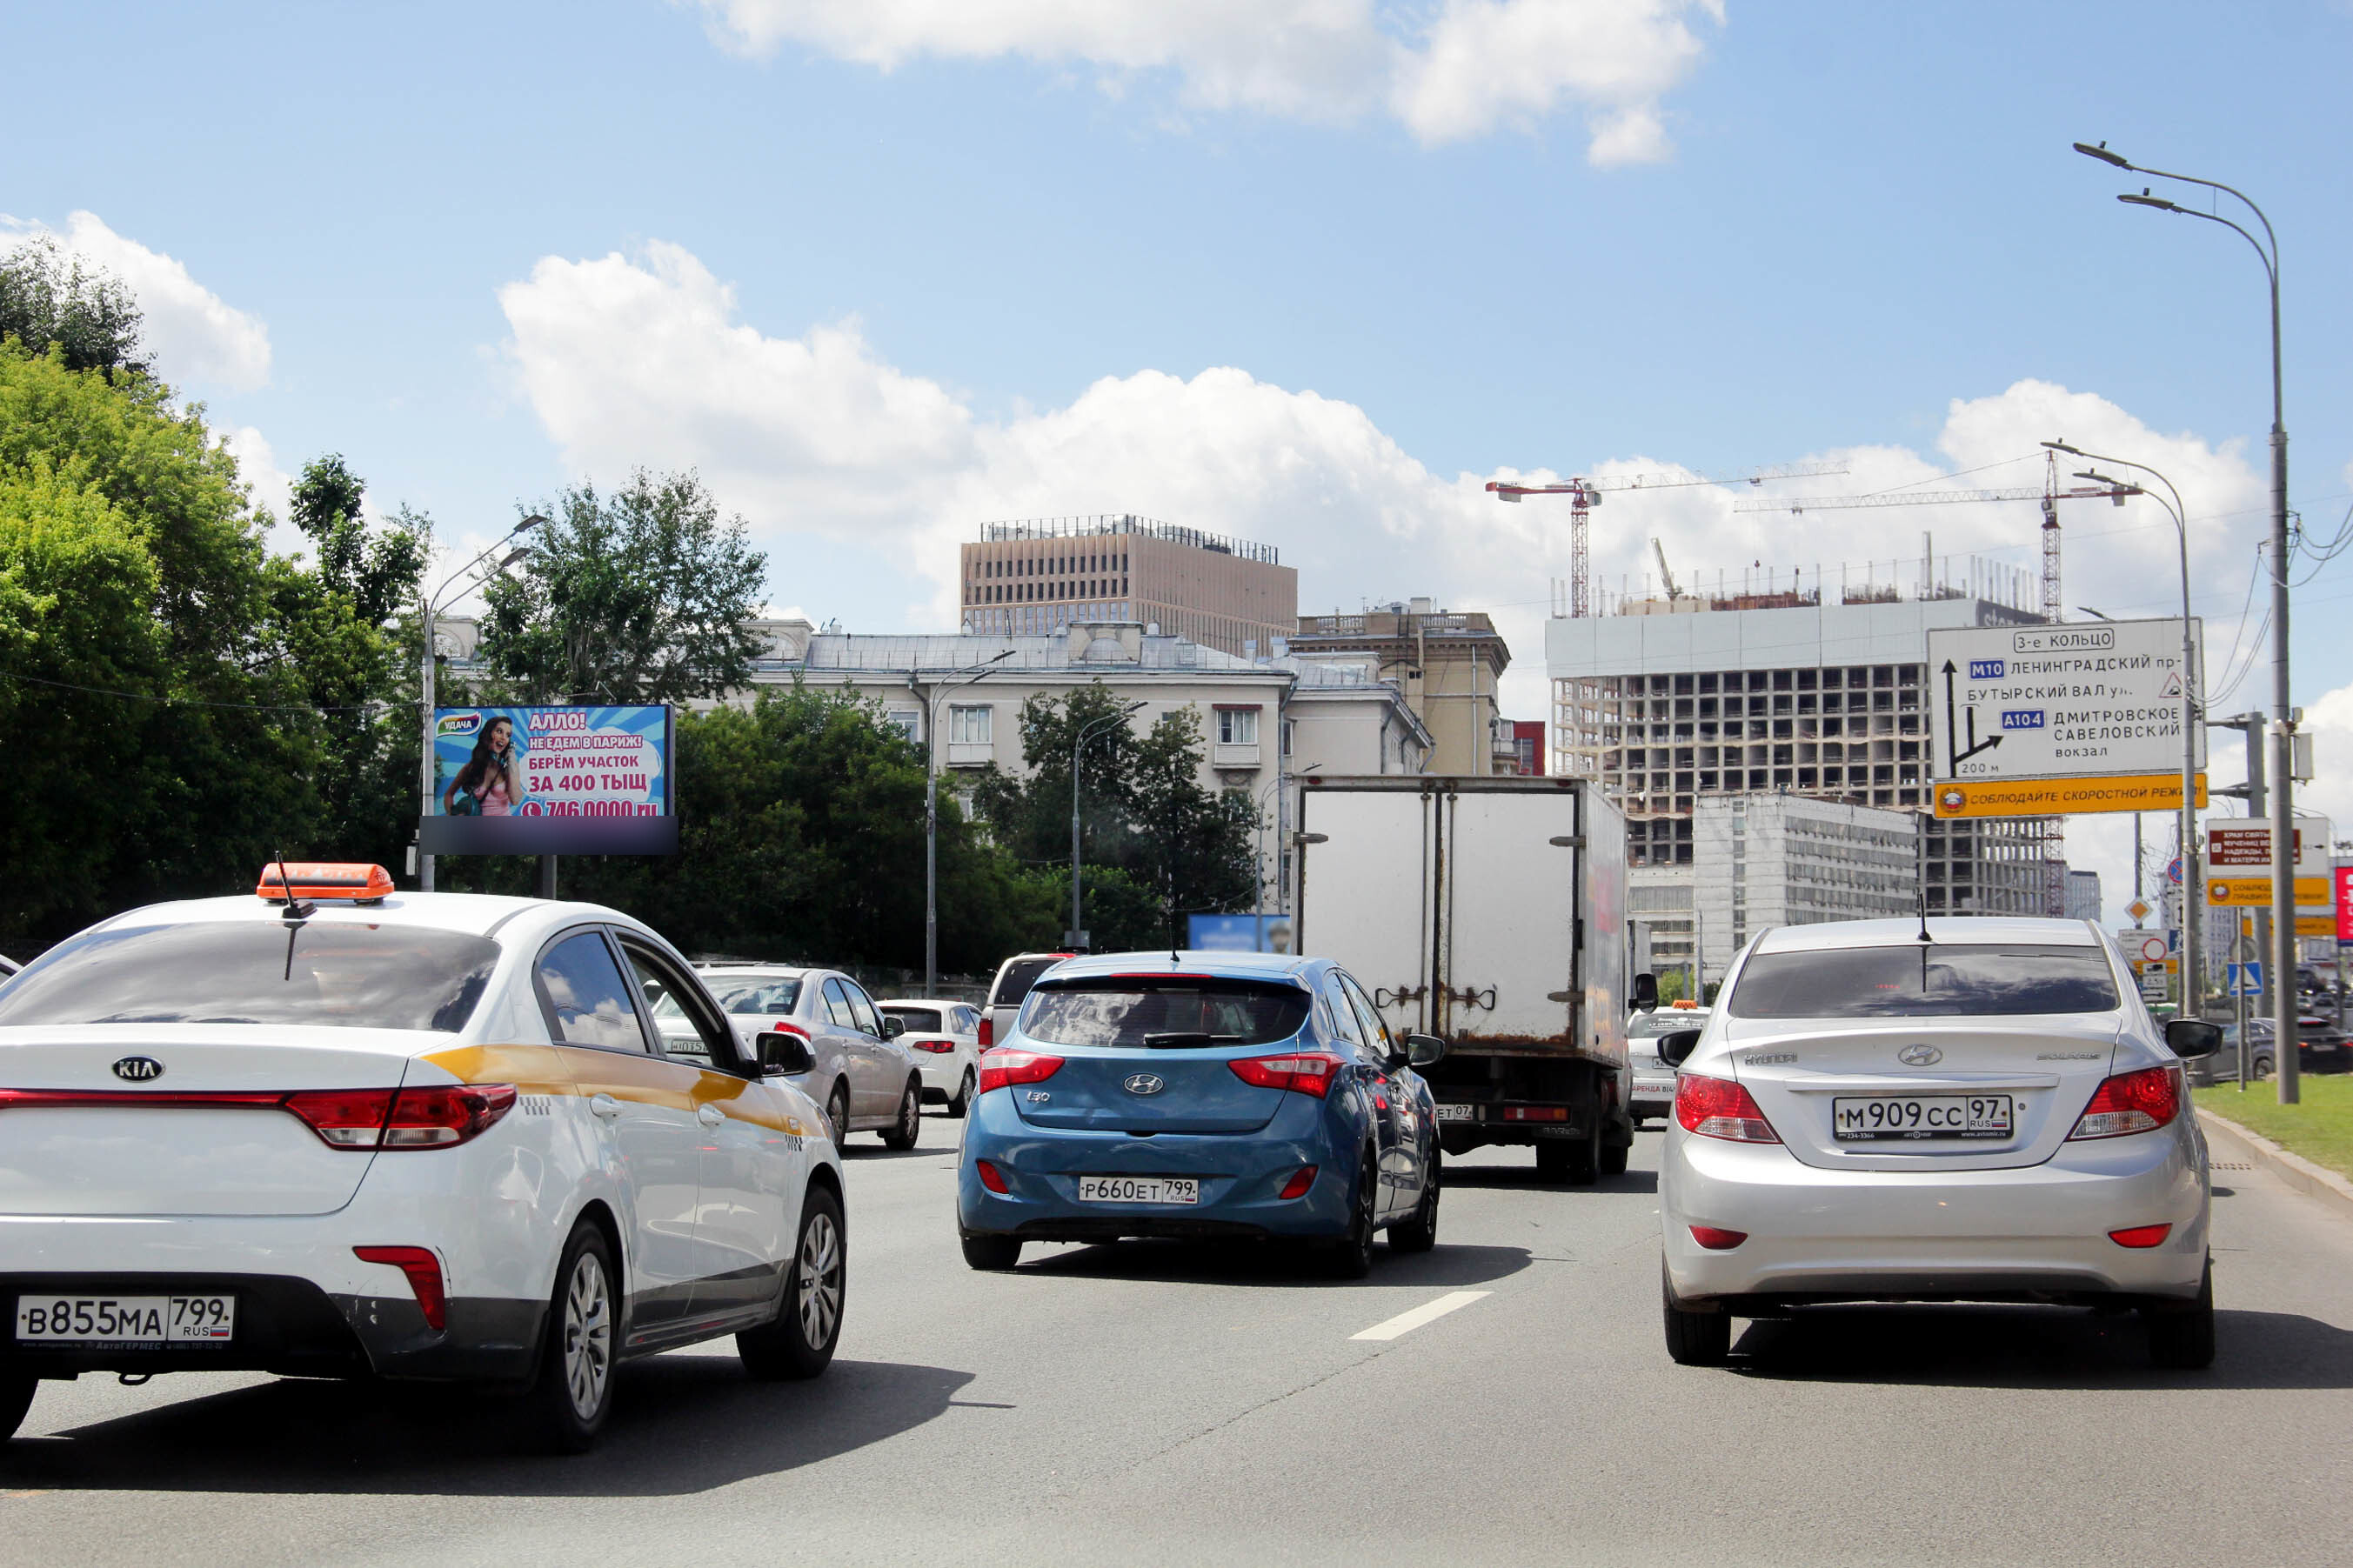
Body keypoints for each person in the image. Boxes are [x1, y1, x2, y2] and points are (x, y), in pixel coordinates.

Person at [444, 716, 518, 816]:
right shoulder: (471, 767)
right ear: (488, 734)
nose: (504, 738)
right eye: (499, 731)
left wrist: (511, 763)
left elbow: (515, 800)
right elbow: (448, 795)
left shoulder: (510, 767)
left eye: (508, 735)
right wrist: (452, 815)